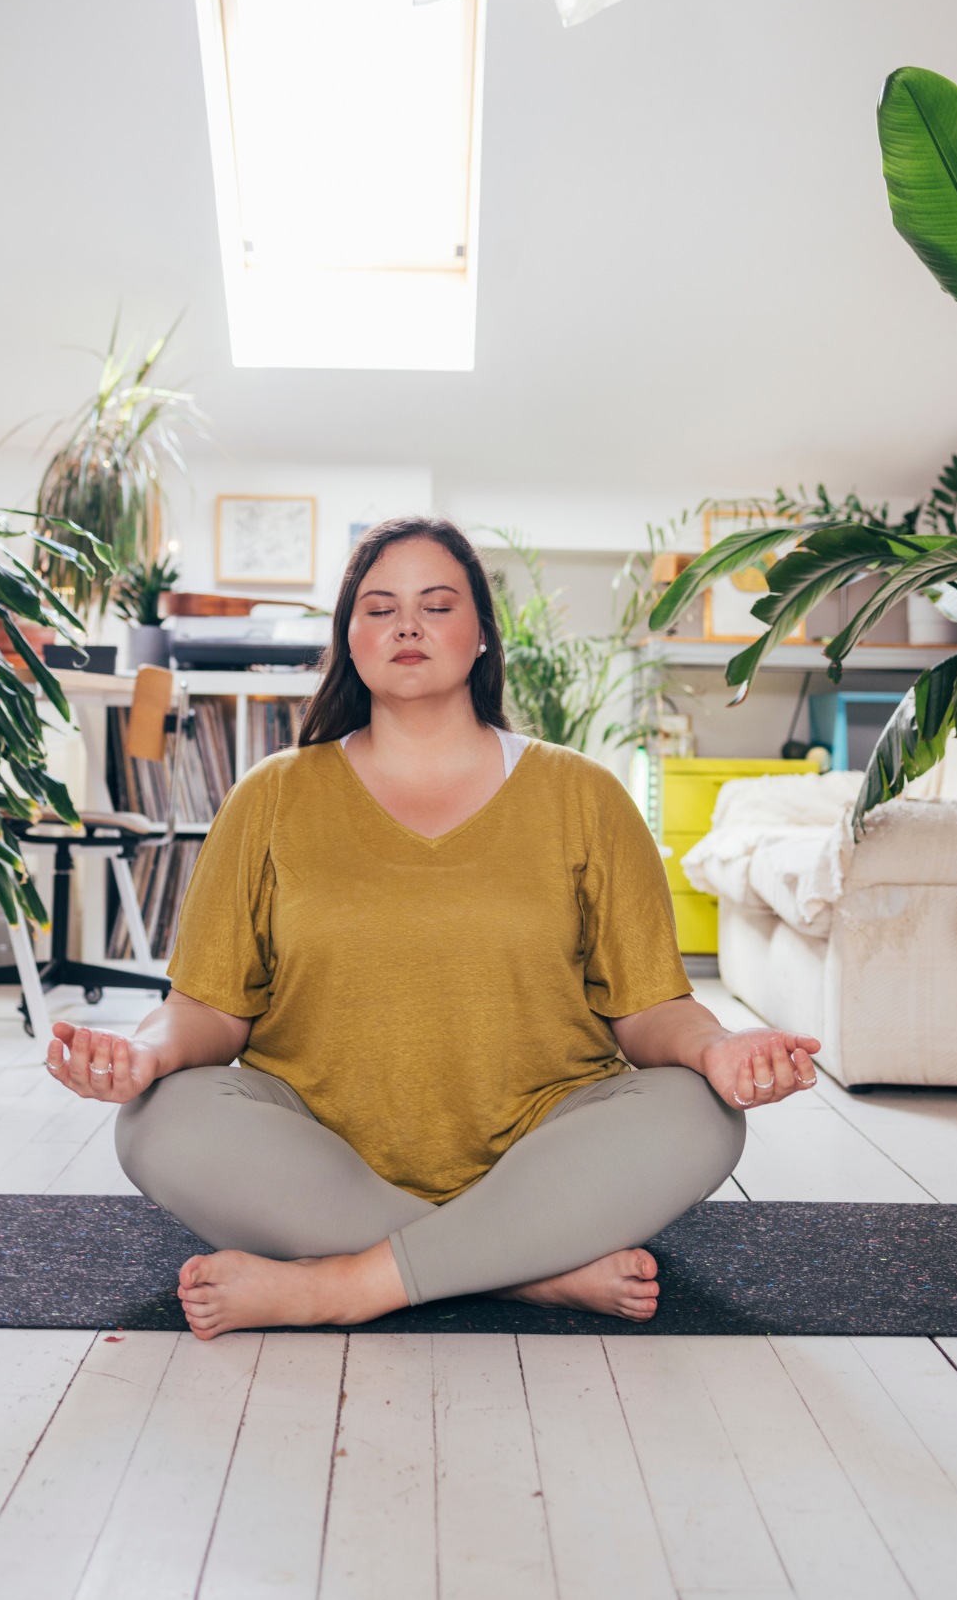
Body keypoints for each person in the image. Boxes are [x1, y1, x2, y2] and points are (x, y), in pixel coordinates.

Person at [46, 517, 819, 1339]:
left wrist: (717, 1050)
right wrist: (145, 1055)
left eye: (437, 605)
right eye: (379, 609)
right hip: (320, 1149)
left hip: (545, 1147)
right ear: (350, 640)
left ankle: (345, 1285)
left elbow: (649, 1009)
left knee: (702, 1113)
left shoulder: (585, 794)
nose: (407, 626)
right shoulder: (271, 794)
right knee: (157, 1120)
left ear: (481, 633)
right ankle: (527, 1270)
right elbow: (209, 1009)